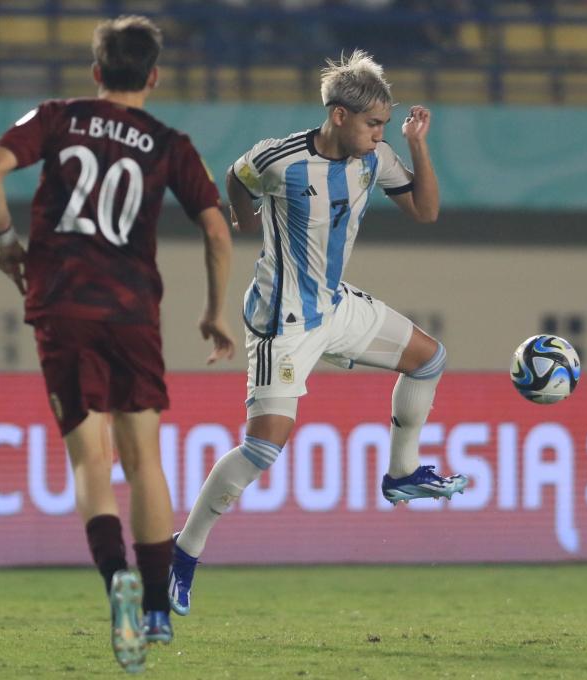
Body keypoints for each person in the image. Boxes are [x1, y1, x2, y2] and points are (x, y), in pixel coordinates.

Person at [0, 15, 234, 674]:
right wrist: (213, 311)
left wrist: (5, 240)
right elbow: (216, 230)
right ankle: (153, 609)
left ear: (96, 72)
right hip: (130, 310)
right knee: (143, 457)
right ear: (153, 76)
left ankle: (115, 574)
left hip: (62, 303)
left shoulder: (58, 118)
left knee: (90, 459)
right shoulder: (169, 141)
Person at [168, 50, 468, 617]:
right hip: (281, 323)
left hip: (334, 307)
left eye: (384, 125)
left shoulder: (374, 159)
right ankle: (183, 555)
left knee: (429, 359)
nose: (381, 134)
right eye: (373, 124)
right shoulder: (279, 159)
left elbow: (426, 212)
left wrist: (418, 145)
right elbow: (236, 177)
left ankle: (402, 475)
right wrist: (246, 218)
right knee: (261, 450)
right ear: (337, 116)